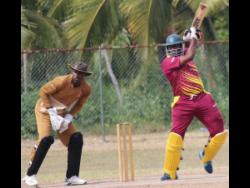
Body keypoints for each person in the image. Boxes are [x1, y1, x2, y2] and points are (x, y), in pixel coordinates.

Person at [160, 27, 228, 181]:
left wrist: (193, 34)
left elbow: (191, 44)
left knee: (220, 133)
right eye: (172, 48)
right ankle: (169, 171)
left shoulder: (184, 53)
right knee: (175, 136)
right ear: (167, 50)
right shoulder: (167, 62)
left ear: (182, 46)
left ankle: (206, 156)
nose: (175, 50)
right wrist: (193, 39)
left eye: (178, 46)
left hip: (202, 98)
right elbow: (191, 52)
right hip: (182, 102)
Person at [22, 62, 92, 186]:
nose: (78, 75)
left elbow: (80, 104)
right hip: (44, 110)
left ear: (84, 76)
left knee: (76, 139)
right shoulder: (61, 81)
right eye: (76, 72)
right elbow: (43, 91)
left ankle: (72, 176)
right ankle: (30, 175)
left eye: (81, 74)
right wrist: (51, 111)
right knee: (45, 139)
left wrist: (69, 117)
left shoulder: (85, 89)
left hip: (61, 113)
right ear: (72, 71)